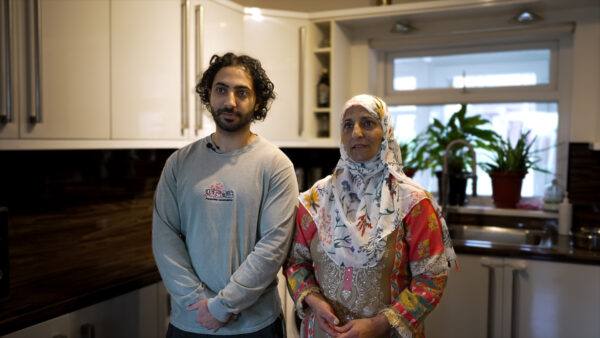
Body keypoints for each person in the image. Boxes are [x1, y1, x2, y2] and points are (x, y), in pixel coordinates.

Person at [285, 94, 456, 338]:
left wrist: (381, 323)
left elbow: (432, 277)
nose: (356, 132)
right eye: (348, 125)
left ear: (386, 131)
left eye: (367, 123)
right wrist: (314, 301)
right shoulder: (316, 199)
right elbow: (295, 262)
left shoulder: (413, 203)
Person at [153, 52, 298, 337]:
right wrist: (198, 302)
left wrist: (223, 306)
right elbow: (165, 237)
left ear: (257, 102)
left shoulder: (276, 165)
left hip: (255, 325)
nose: (230, 101)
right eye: (221, 90)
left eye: (241, 92)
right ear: (209, 95)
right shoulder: (179, 163)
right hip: (190, 321)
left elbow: (272, 248)